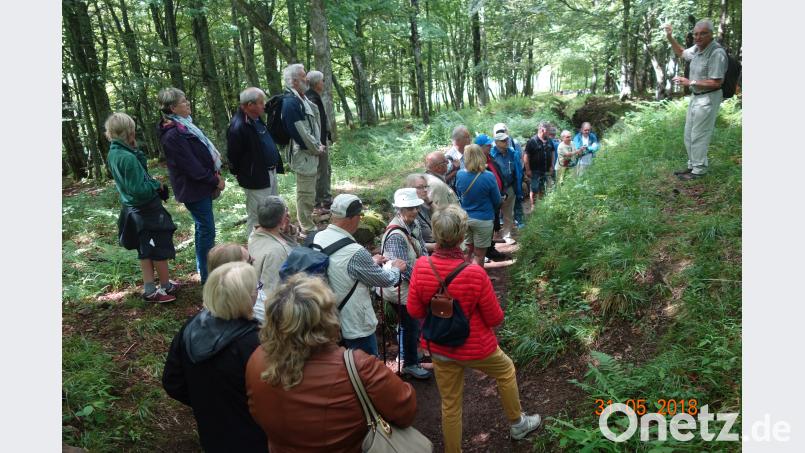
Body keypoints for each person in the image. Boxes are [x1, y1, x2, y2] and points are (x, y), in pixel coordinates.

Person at [407, 205, 541, 452]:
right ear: (461, 236)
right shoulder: (475, 273)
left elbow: (415, 311)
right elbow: (494, 318)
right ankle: (517, 423)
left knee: (450, 404)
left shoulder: (421, 267)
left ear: (435, 234)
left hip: (440, 347)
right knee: (506, 370)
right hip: (477, 347)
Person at [245, 274, 417, 452]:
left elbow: (256, 412)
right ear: (327, 317)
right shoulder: (356, 366)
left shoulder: (257, 360)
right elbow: (406, 408)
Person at [162, 262, 267, 452]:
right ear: (244, 296)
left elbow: (172, 382)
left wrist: (205, 402)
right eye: (256, 288)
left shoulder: (190, 328)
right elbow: (272, 397)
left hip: (211, 431)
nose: (258, 292)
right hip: (254, 436)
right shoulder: (255, 343)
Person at [312, 194, 406, 355]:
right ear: (353, 218)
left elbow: (341, 266)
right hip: (355, 324)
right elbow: (385, 279)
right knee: (366, 371)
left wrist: (369, 262)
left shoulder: (318, 237)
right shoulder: (355, 251)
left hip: (328, 317)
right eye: (360, 216)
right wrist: (396, 268)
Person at [106, 112, 179, 303]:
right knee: (158, 248)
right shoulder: (126, 158)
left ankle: (150, 288)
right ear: (128, 131)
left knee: (145, 249)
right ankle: (164, 286)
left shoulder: (115, 152)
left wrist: (136, 152)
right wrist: (156, 186)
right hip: (145, 209)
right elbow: (139, 190)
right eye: (132, 129)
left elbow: (137, 177)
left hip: (134, 210)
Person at [157, 87, 225, 284]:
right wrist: (215, 180)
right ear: (173, 108)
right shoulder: (173, 134)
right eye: (183, 101)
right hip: (194, 189)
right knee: (207, 231)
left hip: (200, 185)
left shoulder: (184, 126)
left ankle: (205, 272)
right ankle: (208, 277)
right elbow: (191, 167)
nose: (188, 103)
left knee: (202, 229)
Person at [664, 20, 728, 180]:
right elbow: (682, 53)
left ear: (711, 34)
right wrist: (669, 36)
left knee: (699, 134)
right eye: (696, 34)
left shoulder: (716, 53)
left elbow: (716, 82)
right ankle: (692, 165)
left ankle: (699, 171)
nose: (698, 37)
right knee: (689, 134)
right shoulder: (698, 48)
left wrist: (690, 82)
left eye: (703, 33)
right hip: (697, 97)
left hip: (708, 98)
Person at [379, 188, 431, 379]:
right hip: (401, 289)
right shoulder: (395, 235)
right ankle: (409, 363)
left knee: (408, 325)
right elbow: (402, 268)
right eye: (410, 208)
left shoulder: (412, 224)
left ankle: (407, 355)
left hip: (410, 285)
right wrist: (423, 283)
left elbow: (422, 250)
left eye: (416, 207)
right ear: (399, 209)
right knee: (410, 325)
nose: (415, 211)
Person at [227, 87, 284, 240]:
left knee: (273, 210)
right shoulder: (238, 126)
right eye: (260, 102)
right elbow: (233, 156)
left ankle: (273, 240)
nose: (263, 105)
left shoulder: (256, 118)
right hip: (255, 178)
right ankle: (255, 248)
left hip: (269, 173)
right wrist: (244, 175)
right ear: (250, 105)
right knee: (257, 215)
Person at [281, 63, 326, 236]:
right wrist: (316, 147)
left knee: (309, 191)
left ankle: (308, 224)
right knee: (305, 192)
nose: (307, 78)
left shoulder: (301, 99)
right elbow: (300, 132)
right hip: (303, 155)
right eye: (303, 76)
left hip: (309, 153)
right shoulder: (290, 103)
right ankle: (307, 228)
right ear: (293, 81)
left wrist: (316, 146)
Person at [456, 145, 501, 266]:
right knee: (479, 255)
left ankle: (464, 277)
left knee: (467, 252)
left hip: (465, 218)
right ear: (481, 157)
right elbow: (497, 200)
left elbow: (459, 194)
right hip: (483, 219)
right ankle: (477, 280)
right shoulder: (488, 176)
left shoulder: (460, 175)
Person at [248, 196, 297, 302]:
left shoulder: (254, 233)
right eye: (286, 211)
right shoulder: (276, 252)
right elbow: (272, 292)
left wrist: (287, 231)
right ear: (283, 218)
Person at [305, 70, 333, 210]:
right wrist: (319, 143)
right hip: (318, 143)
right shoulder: (311, 98)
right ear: (316, 83)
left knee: (325, 169)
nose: (324, 83)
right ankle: (322, 201)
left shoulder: (314, 96)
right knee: (322, 171)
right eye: (322, 80)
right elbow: (314, 124)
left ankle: (322, 199)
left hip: (320, 141)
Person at [490, 131, 524, 244]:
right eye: (503, 140)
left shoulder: (512, 152)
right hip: (495, 188)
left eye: (507, 140)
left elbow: (518, 169)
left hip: (510, 186)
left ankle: (507, 234)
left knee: (508, 212)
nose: (506, 142)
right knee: (493, 213)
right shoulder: (491, 154)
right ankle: (493, 236)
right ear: (496, 142)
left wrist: (518, 186)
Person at [523, 121, 555, 208]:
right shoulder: (532, 141)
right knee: (534, 188)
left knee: (543, 187)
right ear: (543, 130)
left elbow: (552, 152)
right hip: (535, 170)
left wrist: (552, 165)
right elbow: (526, 156)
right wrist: (528, 169)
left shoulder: (549, 141)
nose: (550, 133)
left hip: (546, 169)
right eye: (548, 131)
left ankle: (542, 206)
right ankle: (533, 206)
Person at [405, 173, 434, 247]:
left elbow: (440, 215)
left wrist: (429, 201)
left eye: (425, 187)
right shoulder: (407, 212)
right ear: (409, 189)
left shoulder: (422, 203)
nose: (425, 190)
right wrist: (437, 246)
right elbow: (411, 243)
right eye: (420, 187)